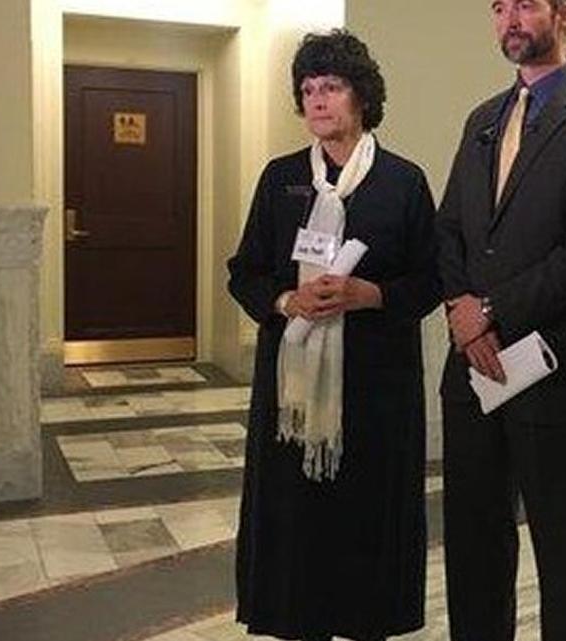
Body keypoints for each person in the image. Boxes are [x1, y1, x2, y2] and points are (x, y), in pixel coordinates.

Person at [435, 0, 566, 639]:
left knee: (565, 555)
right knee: (473, 546)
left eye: (526, 4)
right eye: (499, 8)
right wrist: (462, 313)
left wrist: (491, 311)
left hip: (554, 376)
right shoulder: (483, 120)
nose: (510, 20)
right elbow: (450, 230)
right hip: (474, 377)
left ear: (564, 14)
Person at [227, 29, 438, 641]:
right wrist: (286, 298)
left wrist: (370, 294)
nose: (318, 101)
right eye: (308, 89)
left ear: (362, 97)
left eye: (333, 87)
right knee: (298, 526)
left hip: (376, 391)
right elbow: (245, 273)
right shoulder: (280, 179)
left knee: (366, 523)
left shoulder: (402, 182)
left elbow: (430, 278)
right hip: (293, 397)